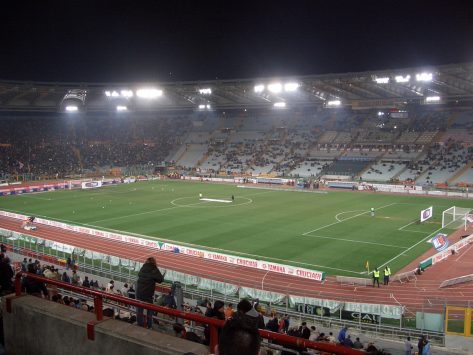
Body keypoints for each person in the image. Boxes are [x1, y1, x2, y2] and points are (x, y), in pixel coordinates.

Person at [136, 256, 165, 328]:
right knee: (150, 310)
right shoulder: (154, 269)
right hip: (148, 293)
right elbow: (160, 279)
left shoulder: (143, 267)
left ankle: (140, 324)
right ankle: (149, 325)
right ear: (154, 262)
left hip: (139, 292)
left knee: (139, 310)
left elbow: (140, 275)